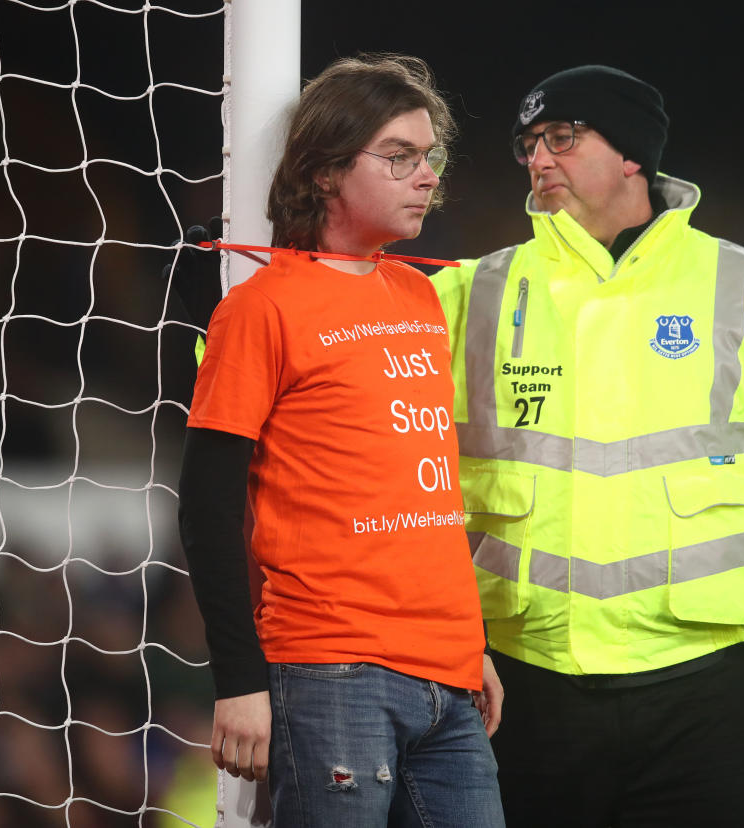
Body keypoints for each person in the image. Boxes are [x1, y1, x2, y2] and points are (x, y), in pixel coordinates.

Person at [429, 65, 744, 827]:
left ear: (633, 154)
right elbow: (316, 369)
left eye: (562, 138)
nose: (539, 160)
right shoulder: (472, 292)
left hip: (700, 699)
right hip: (518, 692)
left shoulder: (743, 288)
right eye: (527, 144)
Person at [176, 54, 504, 828]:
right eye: (399, 157)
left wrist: (469, 643)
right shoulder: (264, 307)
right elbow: (206, 506)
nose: (426, 176)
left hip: (449, 675)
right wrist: (238, 681)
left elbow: (420, 482)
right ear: (324, 171)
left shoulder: (418, 294)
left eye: (431, 158)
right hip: (329, 669)